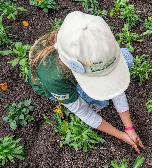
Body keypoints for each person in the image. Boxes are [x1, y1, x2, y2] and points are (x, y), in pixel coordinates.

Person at [28, 11, 144, 153]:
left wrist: (129, 127)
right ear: (76, 67)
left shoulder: (89, 36)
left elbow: (115, 86)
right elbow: (83, 112)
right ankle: (93, 100)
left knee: (126, 58)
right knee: (100, 100)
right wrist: (122, 136)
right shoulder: (55, 78)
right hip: (58, 87)